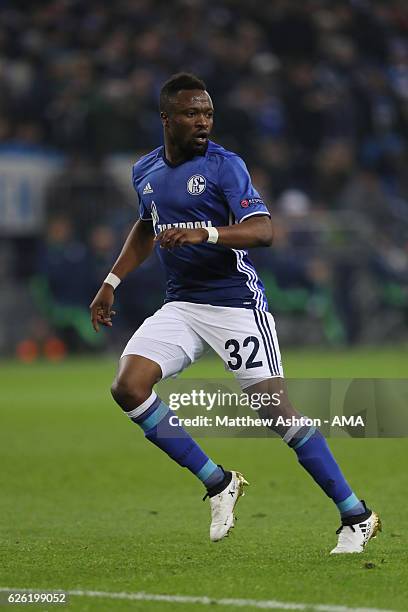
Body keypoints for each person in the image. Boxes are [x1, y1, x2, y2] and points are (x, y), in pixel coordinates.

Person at [90, 73, 381, 553]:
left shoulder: (225, 166)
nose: (202, 121)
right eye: (191, 113)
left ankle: (357, 515)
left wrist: (204, 233)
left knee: (277, 414)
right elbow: (146, 225)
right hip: (181, 304)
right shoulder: (144, 170)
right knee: (128, 386)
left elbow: (264, 231)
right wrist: (110, 283)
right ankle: (218, 482)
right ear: (166, 118)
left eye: (207, 113)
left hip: (235, 305)